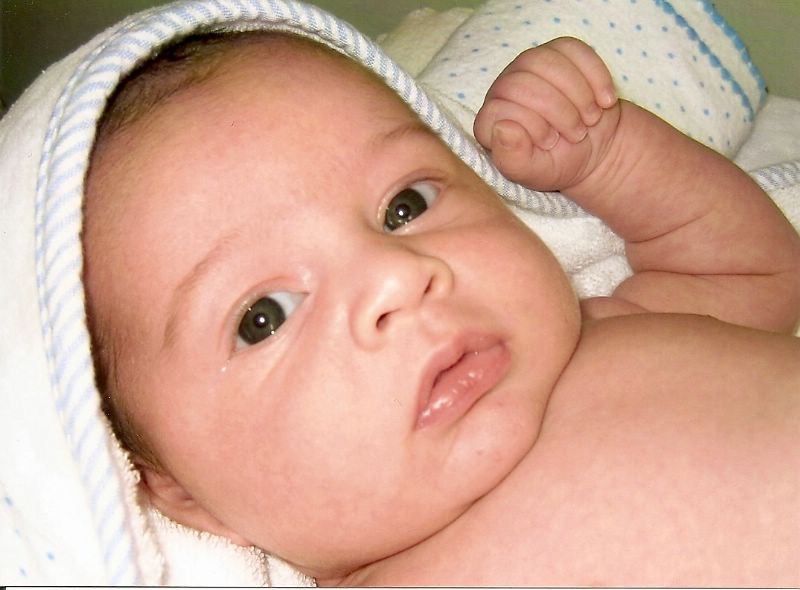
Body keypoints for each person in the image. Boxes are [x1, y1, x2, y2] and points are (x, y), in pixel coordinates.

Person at [82, 29, 800, 585]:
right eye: (263, 316)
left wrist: (606, 156)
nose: (394, 276)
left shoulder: (609, 330)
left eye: (406, 205)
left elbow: (754, 271)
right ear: (180, 493)